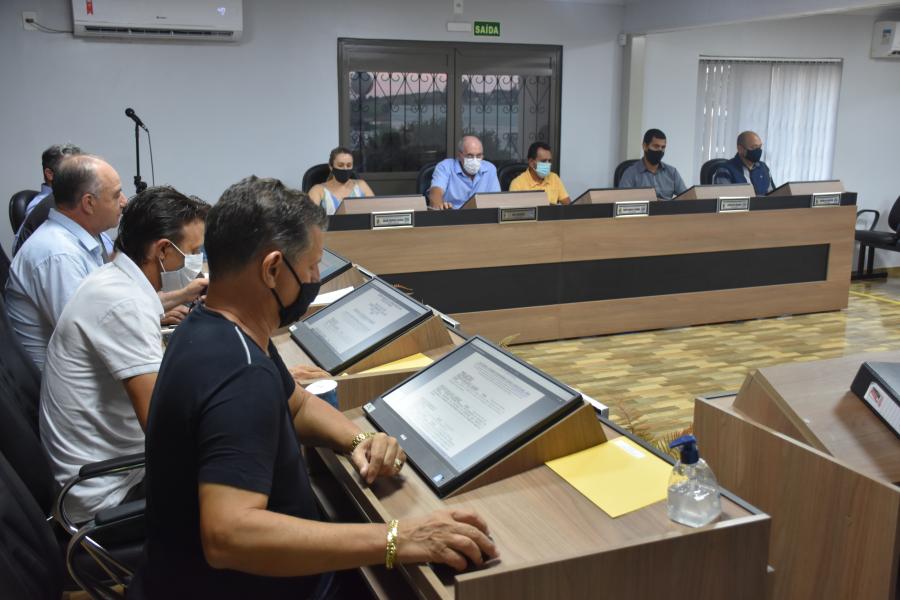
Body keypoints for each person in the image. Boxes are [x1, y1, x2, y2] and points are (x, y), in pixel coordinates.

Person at [131, 176, 497, 599]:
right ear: (272, 269)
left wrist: (359, 439)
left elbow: (297, 406)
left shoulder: (212, 327)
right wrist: (399, 538)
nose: (316, 277)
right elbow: (229, 536)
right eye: (311, 266)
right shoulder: (240, 372)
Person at [39, 186, 209, 523]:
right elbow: (163, 428)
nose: (196, 261)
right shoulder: (123, 305)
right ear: (163, 250)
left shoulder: (113, 278)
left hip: (106, 467)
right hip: (110, 492)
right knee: (249, 471)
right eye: (193, 251)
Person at [5, 154, 124, 371]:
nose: (124, 202)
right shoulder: (59, 255)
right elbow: (90, 336)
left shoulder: (78, 241)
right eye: (116, 195)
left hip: (83, 368)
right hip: (69, 381)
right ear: (89, 203)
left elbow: (104, 311)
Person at [13, 143, 83, 255]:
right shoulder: (41, 207)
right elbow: (21, 251)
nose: (81, 176)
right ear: (50, 174)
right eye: (71, 171)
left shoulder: (75, 200)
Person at [428, 135, 501, 209]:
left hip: (482, 214)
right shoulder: (445, 167)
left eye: (478, 156)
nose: (475, 160)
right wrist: (439, 207)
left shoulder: (490, 169)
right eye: (470, 156)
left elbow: (496, 199)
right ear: (459, 155)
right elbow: (435, 192)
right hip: (452, 214)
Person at [618, 128, 687, 200]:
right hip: (644, 207)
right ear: (645, 146)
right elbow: (622, 199)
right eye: (656, 146)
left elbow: (686, 198)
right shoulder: (630, 173)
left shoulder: (672, 172)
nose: (660, 150)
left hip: (667, 207)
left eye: (663, 147)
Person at [307, 147, 373, 215]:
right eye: (340, 165)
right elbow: (309, 217)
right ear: (331, 167)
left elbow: (375, 210)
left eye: (349, 165)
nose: (345, 168)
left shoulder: (362, 185)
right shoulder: (317, 190)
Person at [713, 131, 775, 196]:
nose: (758, 150)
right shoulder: (725, 170)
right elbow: (725, 198)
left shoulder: (763, 168)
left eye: (759, 147)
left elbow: (773, 195)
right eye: (754, 147)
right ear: (740, 149)